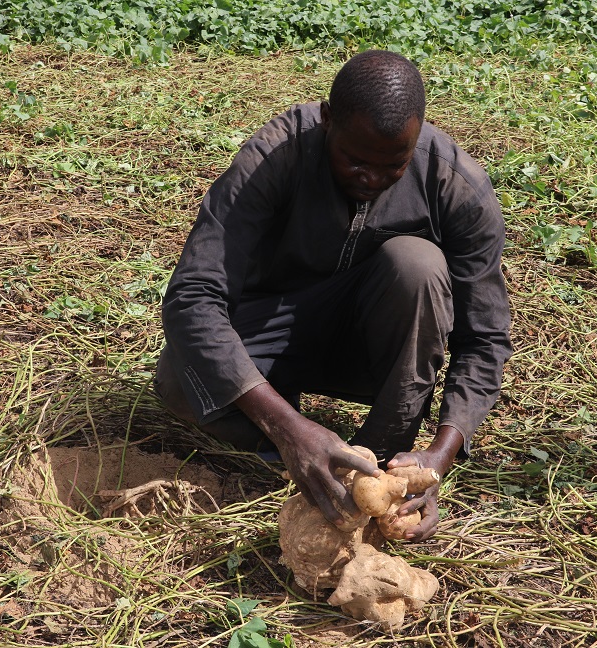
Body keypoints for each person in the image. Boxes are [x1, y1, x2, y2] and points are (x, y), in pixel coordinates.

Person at [153, 50, 512, 541]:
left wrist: (439, 458)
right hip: (274, 330)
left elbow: (485, 336)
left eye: (393, 166)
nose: (371, 179)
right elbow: (193, 294)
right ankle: (302, 447)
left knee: (417, 265)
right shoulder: (276, 156)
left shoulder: (454, 184)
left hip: (380, 347)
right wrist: (288, 429)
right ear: (326, 120)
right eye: (354, 160)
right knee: (179, 380)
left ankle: (378, 461)